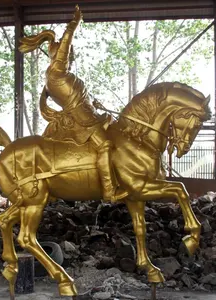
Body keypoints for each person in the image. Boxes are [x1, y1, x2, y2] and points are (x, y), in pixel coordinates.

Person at [19, 6, 126, 202]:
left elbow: (77, 97)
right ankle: (110, 190)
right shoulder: (56, 72)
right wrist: (73, 26)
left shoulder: (62, 76)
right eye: (65, 54)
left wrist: (94, 104)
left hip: (90, 113)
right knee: (105, 145)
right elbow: (65, 48)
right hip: (83, 120)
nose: (69, 56)